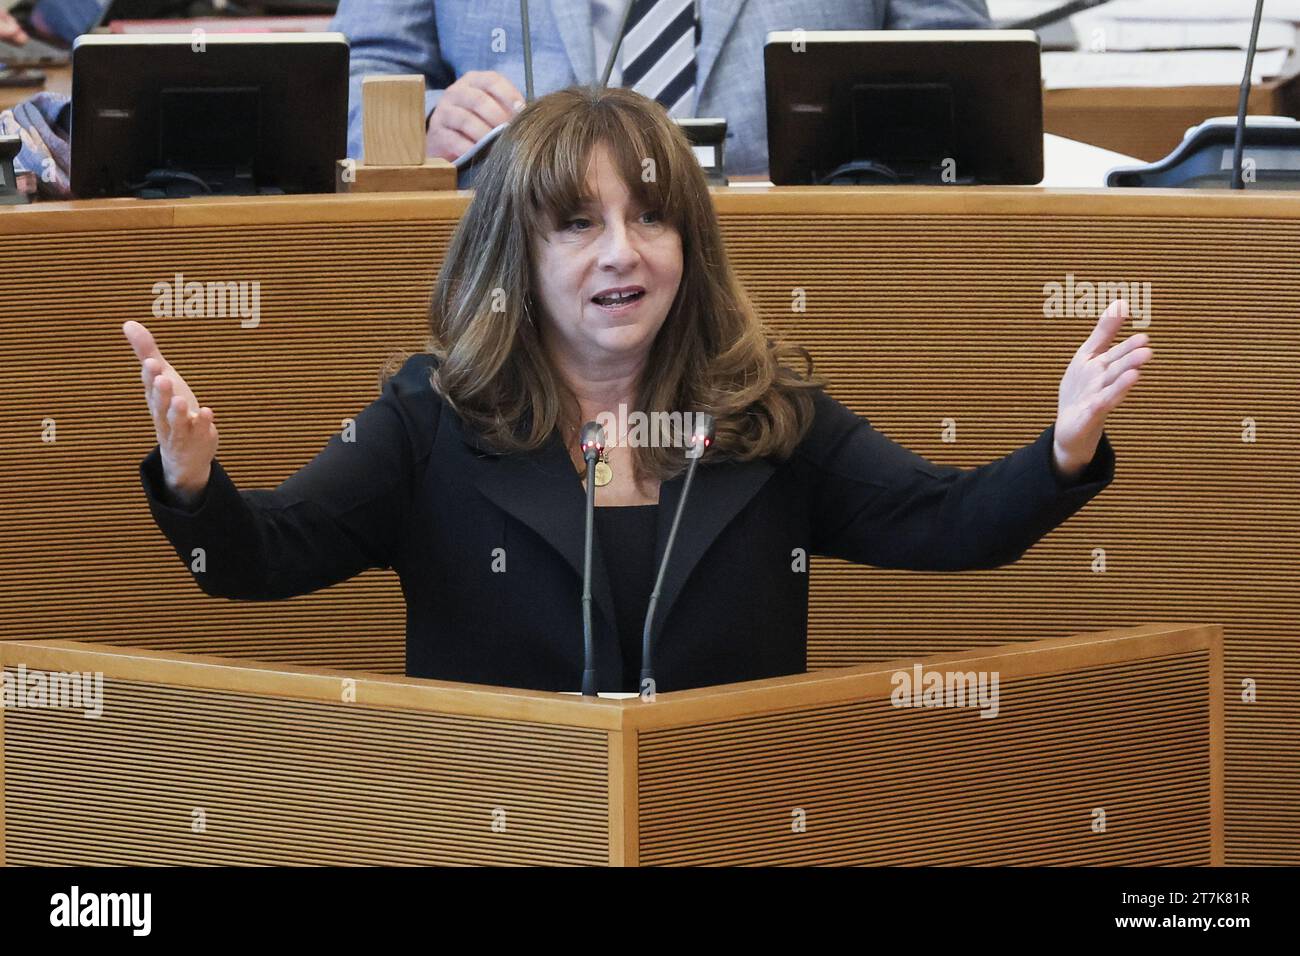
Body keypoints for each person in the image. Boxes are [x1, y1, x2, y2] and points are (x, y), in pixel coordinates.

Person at [123, 85, 1151, 695]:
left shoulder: (765, 414)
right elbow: (253, 560)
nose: (622, 251)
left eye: (650, 219)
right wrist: (193, 483)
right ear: (513, 253)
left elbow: (952, 522)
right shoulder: (431, 420)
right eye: (577, 223)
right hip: (505, 826)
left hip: (720, 822)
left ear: (688, 244)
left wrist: (1060, 445)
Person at [331, 0, 992, 174]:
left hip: (806, 270)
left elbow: (966, 78)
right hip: (513, 286)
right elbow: (352, 74)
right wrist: (423, 123)